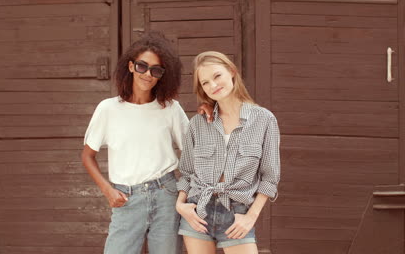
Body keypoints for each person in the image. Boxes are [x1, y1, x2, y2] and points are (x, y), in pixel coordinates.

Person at [82, 32, 204, 254]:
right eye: (142, 66)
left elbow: (192, 153)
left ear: (161, 76)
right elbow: (87, 155)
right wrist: (108, 190)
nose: (148, 74)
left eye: (156, 70)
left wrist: (207, 117)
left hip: (166, 194)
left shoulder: (170, 108)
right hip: (126, 199)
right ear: (130, 67)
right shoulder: (108, 109)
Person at [176, 51, 281, 254]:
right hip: (198, 211)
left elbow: (270, 178)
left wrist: (251, 216)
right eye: (205, 83)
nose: (213, 86)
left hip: (237, 213)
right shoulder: (198, 123)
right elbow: (187, 173)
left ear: (231, 72)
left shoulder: (264, 120)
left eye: (217, 76)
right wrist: (181, 205)